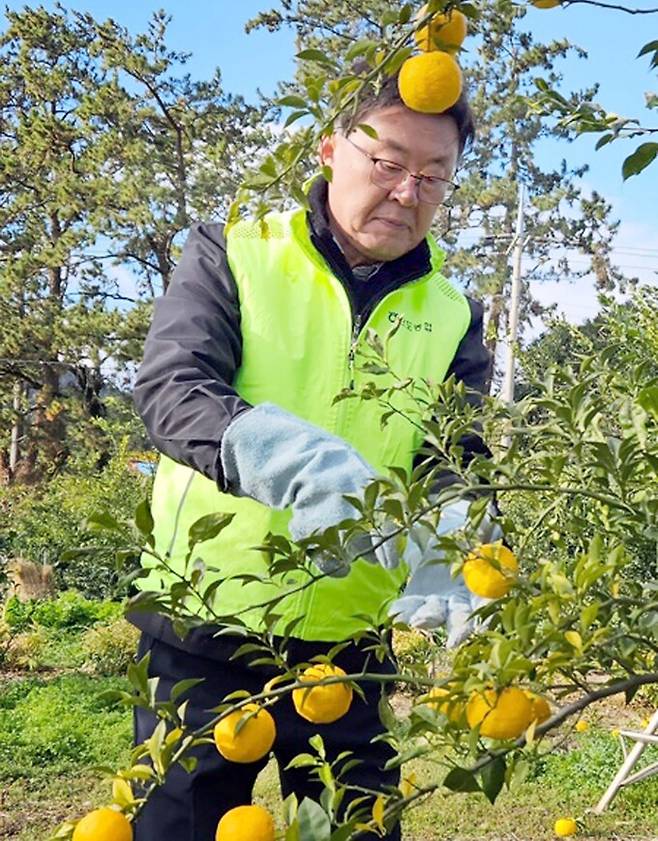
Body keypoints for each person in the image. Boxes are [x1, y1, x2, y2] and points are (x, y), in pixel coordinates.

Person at [129, 65, 492, 841]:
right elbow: (173, 386)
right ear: (331, 149)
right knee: (174, 827)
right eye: (388, 163)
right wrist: (290, 458)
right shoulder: (234, 252)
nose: (407, 191)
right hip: (205, 618)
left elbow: (453, 449)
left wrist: (456, 527)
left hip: (348, 635)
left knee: (356, 828)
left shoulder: (453, 313)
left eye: (434, 175)